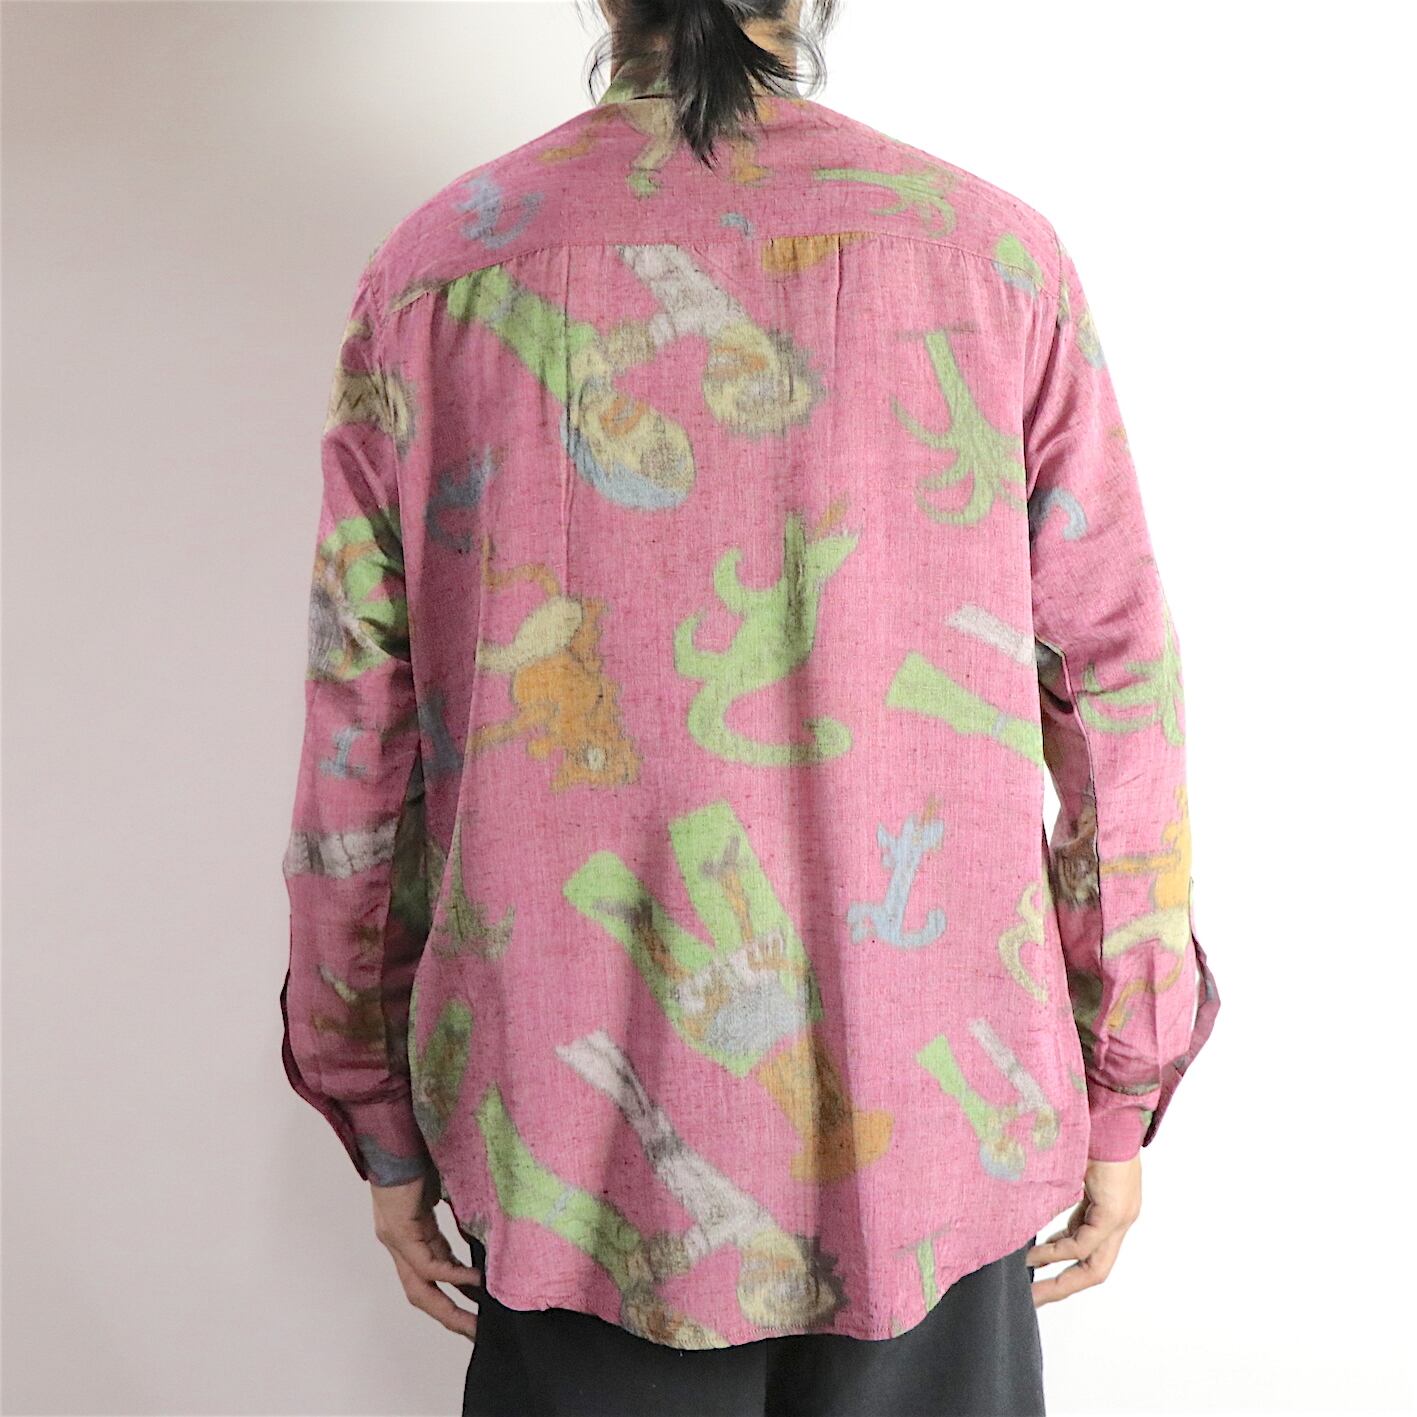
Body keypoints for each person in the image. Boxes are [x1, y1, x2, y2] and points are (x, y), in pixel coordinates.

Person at [277, 0, 1221, 1411]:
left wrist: (374, 1105)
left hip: (568, 1145)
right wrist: (1118, 1080)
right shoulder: (987, 257)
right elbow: (1113, 690)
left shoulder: (435, 274)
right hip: (931, 1127)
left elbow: (362, 730)